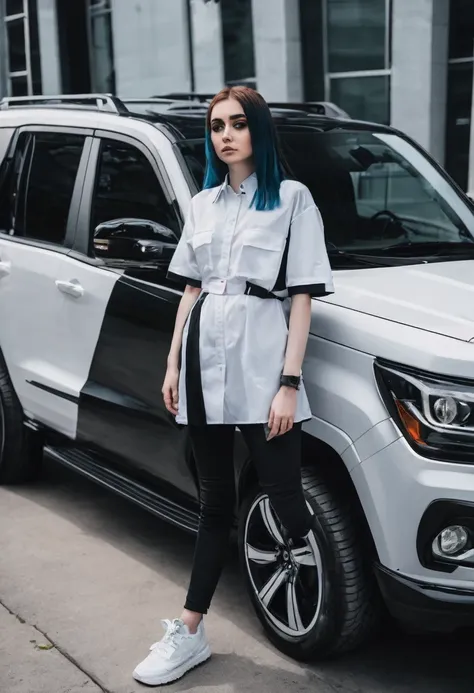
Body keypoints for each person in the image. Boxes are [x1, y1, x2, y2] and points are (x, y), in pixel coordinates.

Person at [132, 86, 334, 687]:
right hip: (201, 360)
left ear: (259, 131)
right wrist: (171, 366)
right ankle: (189, 631)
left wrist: (289, 384)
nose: (225, 135)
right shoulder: (202, 204)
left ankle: (330, 596)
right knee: (214, 503)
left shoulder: (293, 200)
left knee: (287, 501)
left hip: (262, 361)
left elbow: (301, 298)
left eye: (238, 124)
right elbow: (190, 291)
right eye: (217, 125)